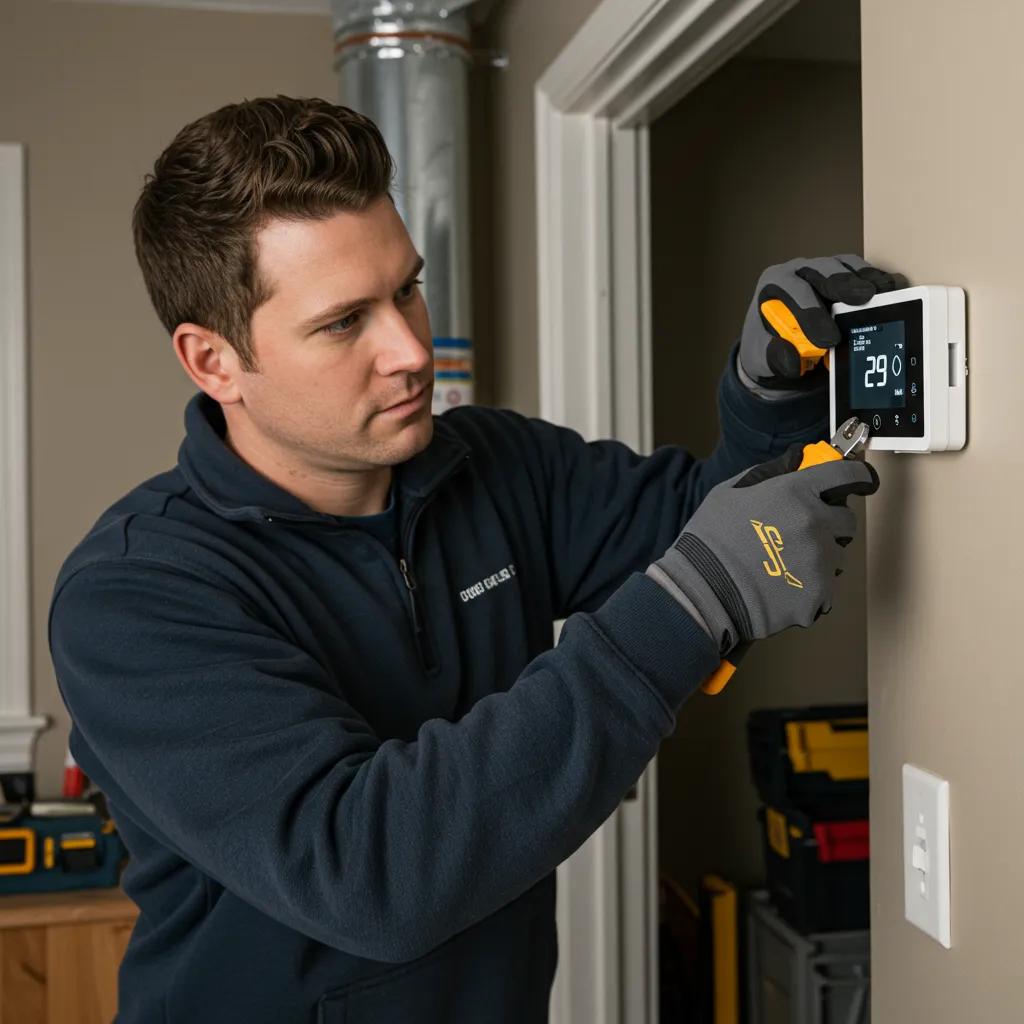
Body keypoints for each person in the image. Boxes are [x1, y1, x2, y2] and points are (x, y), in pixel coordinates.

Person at [48, 96, 888, 1023]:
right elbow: (370, 875)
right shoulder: (135, 596)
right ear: (213, 361)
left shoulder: (493, 463)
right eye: (343, 323)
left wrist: (770, 398)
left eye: (406, 288)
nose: (411, 350)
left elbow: (713, 535)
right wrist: (691, 602)